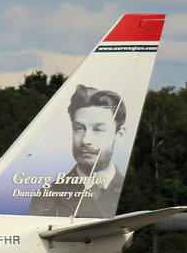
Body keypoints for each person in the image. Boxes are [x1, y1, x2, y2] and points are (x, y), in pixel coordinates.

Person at [27, 85, 126, 218]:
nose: (85, 140)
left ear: (119, 135)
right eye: (79, 128)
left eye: (98, 130)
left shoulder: (132, 190)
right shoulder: (46, 196)